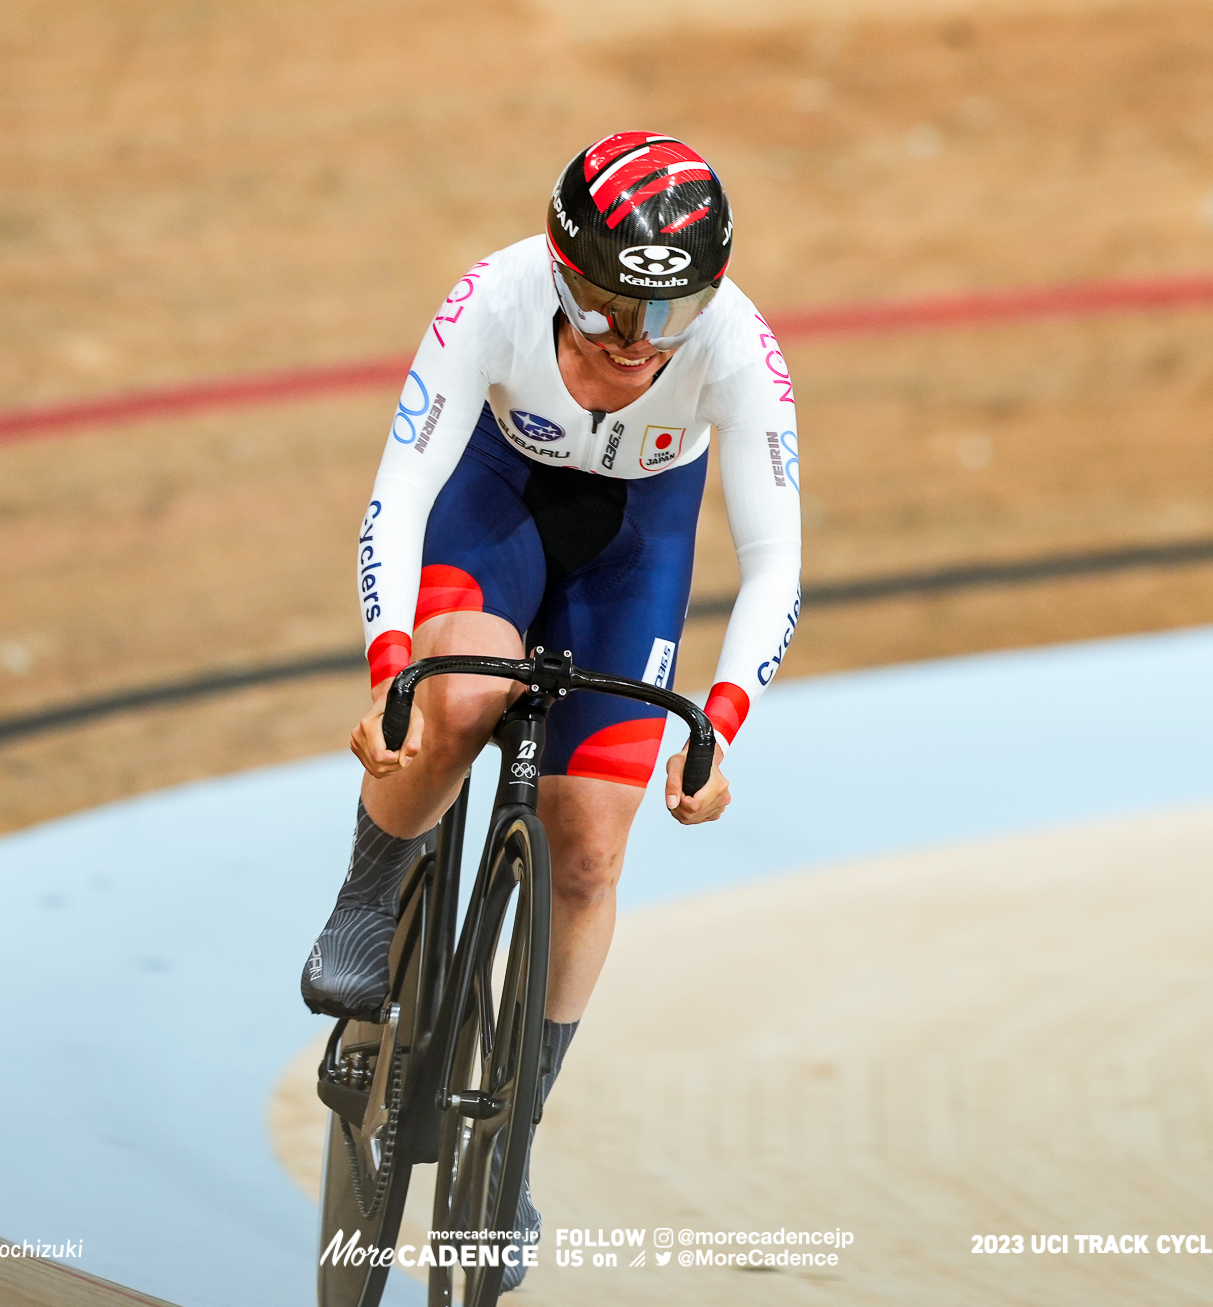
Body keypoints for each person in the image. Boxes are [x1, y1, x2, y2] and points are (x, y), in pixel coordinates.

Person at [301, 130, 801, 1288]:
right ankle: (371, 898)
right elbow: (401, 487)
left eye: (663, 320)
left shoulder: (739, 347)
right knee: (462, 694)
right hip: (497, 502)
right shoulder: (493, 296)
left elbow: (773, 556)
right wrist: (390, 660)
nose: (635, 345)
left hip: (633, 545)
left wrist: (721, 717)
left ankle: (510, 1128)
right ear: (559, 267)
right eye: (608, 308)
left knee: (589, 853)